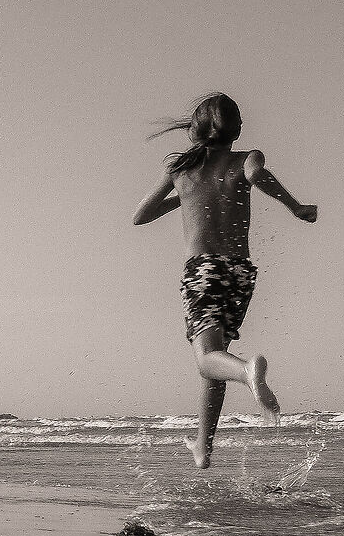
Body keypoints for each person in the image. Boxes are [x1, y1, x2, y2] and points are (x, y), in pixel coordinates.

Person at [132, 91, 318, 468]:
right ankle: (204, 447)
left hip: (203, 271)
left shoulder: (181, 170)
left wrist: (182, 196)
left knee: (206, 361)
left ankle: (248, 371)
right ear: (238, 129)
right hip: (240, 272)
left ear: (196, 129)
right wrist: (295, 206)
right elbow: (257, 175)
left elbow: (141, 215)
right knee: (217, 355)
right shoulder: (246, 158)